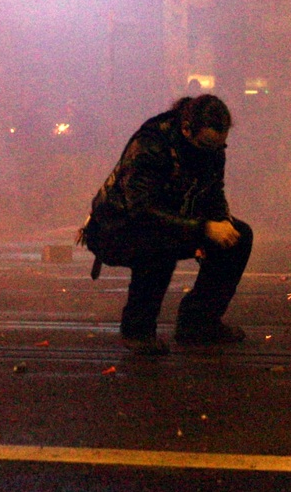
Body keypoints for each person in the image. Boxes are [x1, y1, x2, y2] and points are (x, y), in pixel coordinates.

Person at [79, 94, 252, 356]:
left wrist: (222, 222)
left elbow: (213, 191)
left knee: (239, 237)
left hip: (177, 220)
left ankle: (198, 323)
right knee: (158, 242)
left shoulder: (212, 148)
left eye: (219, 146)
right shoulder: (151, 144)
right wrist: (203, 228)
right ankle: (138, 330)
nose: (213, 152)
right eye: (206, 144)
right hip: (116, 227)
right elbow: (142, 210)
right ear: (186, 129)